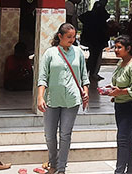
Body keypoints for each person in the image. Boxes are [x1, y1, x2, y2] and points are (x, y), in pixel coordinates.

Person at [37, 23, 90, 174]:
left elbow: (84, 76)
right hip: (52, 99)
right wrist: (40, 97)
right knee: (49, 135)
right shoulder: (50, 53)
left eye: (74, 37)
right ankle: (53, 163)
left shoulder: (78, 52)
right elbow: (42, 78)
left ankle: (61, 168)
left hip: (72, 100)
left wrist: (85, 91)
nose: (72, 40)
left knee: (65, 135)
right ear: (60, 36)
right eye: (69, 37)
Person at [107, 35, 132, 174]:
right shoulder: (121, 63)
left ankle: (119, 171)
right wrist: (112, 90)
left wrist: (120, 91)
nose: (116, 50)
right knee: (127, 138)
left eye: (119, 47)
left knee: (122, 138)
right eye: (115, 47)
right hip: (120, 106)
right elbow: (119, 82)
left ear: (128, 49)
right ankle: (131, 170)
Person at [80, 0, 110, 81]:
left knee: (92, 56)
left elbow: (81, 18)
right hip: (98, 39)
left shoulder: (89, 15)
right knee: (95, 56)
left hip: (90, 39)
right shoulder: (102, 14)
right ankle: (93, 73)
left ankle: (88, 73)